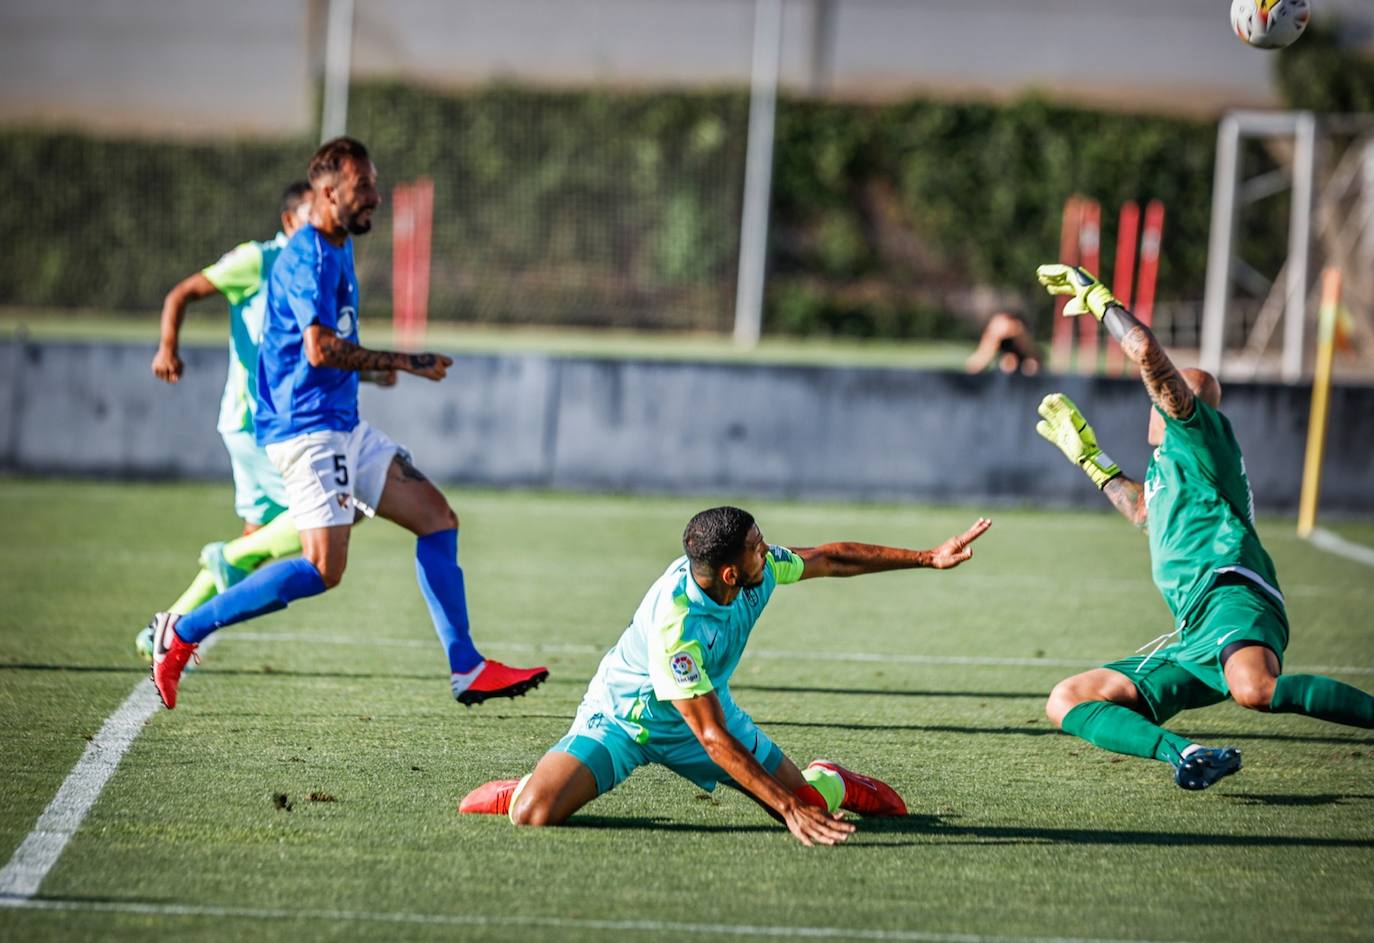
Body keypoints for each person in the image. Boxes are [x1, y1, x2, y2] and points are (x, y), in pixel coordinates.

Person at [146, 136, 548, 709]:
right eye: (365, 189)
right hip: (307, 432)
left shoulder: (337, 244)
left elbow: (321, 348)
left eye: (374, 187)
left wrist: (371, 373)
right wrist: (405, 362)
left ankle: (468, 667)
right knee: (322, 568)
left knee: (437, 518)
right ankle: (180, 631)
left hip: (341, 424)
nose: (376, 199)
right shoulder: (307, 254)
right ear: (328, 193)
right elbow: (319, 349)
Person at [460, 506, 992, 845]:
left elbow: (830, 558)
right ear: (732, 572)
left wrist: (927, 557)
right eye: (759, 548)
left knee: (810, 802)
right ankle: (532, 782)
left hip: (709, 713)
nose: (770, 550)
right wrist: (783, 809)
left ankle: (830, 777)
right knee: (534, 814)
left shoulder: (755, 573)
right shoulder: (679, 626)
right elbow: (711, 738)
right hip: (624, 721)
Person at [1033, 264, 1374, 790]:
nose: (1154, 400)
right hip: (1194, 628)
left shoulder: (1198, 435)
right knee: (1068, 698)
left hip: (1232, 597)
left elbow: (1147, 353)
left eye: (1162, 396)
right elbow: (1147, 514)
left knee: (1255, 690)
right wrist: (1090, 459)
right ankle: (1188, 755)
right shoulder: (1169, 465)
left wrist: (1098, 300)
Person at [137, 183, 336, 663]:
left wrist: (371, 370)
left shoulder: (317, 269)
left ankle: (162, 633)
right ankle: (221, 562)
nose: (328, 222)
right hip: (260, 423)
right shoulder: (258, 260)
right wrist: (167, 346)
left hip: (269, 421)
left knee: (257, 540)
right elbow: (181, 292)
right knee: (327, 512)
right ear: (290, 221)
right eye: (316, 212)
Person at [965, 311, 1041, 376]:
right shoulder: (993, 340)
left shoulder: (1028, 357)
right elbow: (973, 368)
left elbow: (1038, 366)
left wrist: (1023, 342)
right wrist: (992, 340)